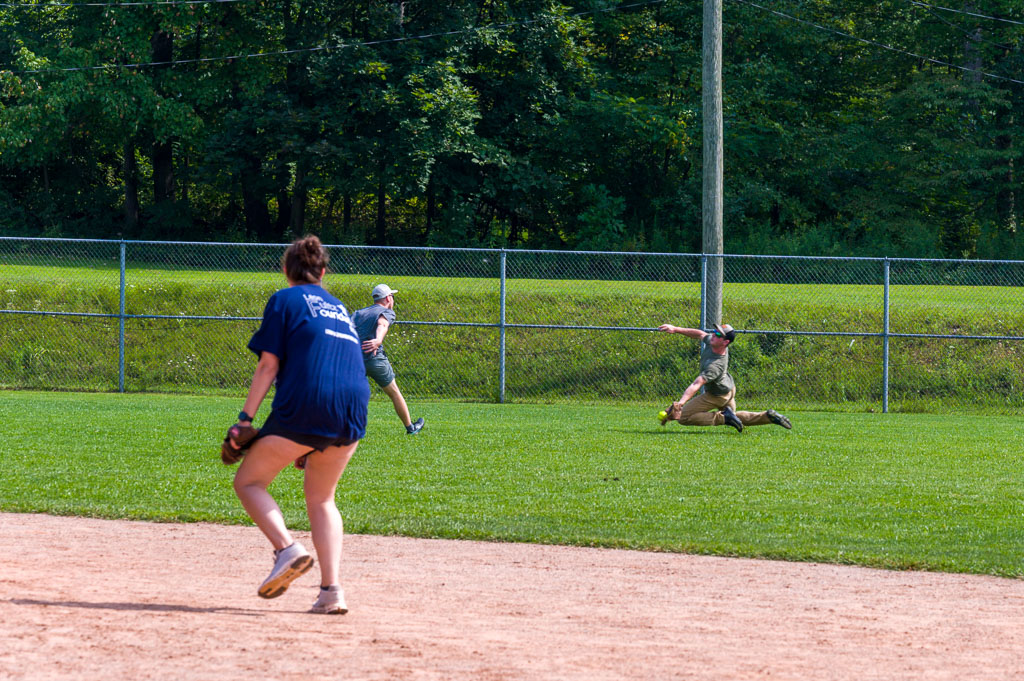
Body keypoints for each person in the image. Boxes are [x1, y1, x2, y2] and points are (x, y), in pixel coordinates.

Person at [230, 235, 370, 615]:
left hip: (309, 403)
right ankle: (331, 592)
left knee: (248, 482)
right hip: (354, 409)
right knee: (322, 498)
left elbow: (268, 365)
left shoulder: (284, 299)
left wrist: (245, 419)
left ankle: (287, 549)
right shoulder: (341, 308)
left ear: (285, 271)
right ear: (323, 273)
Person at [656, 322, 792, 433]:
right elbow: (700, 334)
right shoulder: (713, 342)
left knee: (684, 417)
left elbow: (697, 384)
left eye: (718, 334)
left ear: (725, 342)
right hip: (729, 389)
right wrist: (676, 329)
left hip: (718, 395)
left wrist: (681, 403)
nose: (713, 335)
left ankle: (724, 418)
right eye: (715, 332)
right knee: (736, 417)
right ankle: (768, 416)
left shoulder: (715, 365)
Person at [350, 284, 425, 435]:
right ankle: (410, 428)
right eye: (392, 296)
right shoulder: (387, 311)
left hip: (355, 360)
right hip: (375, 359)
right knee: (394, 393)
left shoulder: (359, 313)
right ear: (388, 298)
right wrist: (377, 340)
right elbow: (382, 324)